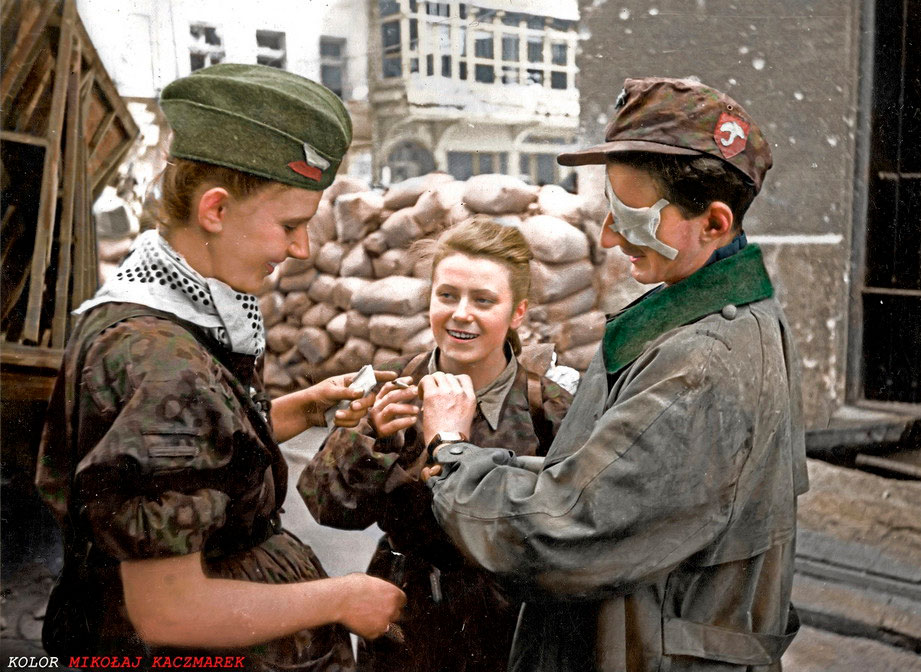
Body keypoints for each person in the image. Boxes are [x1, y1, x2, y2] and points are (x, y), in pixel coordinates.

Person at [418, 77, 809, 672]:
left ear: (713, 223)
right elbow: (609, 481)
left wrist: (451, 451)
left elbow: (563, 531)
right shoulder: (718, 318)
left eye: (631, 215)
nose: (607, 234)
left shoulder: (699, 368)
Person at [34, 64, 405, 670]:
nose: (301, 248)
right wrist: (344, 597)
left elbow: (200, 449)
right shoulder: (161, 362)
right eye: (290, 225)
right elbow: (168, 610)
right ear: (215, 210)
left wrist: (303, 408)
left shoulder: (152, 312)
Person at [297, 216, 574, 672]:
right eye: (447, 295)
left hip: (510, 631)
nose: (461, 313)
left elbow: (573, 533)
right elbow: (325, 507)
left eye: (483, 300)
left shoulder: (548, 408)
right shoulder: (394, 391)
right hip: (406, 623)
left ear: (517, 313)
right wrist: (371, 439)